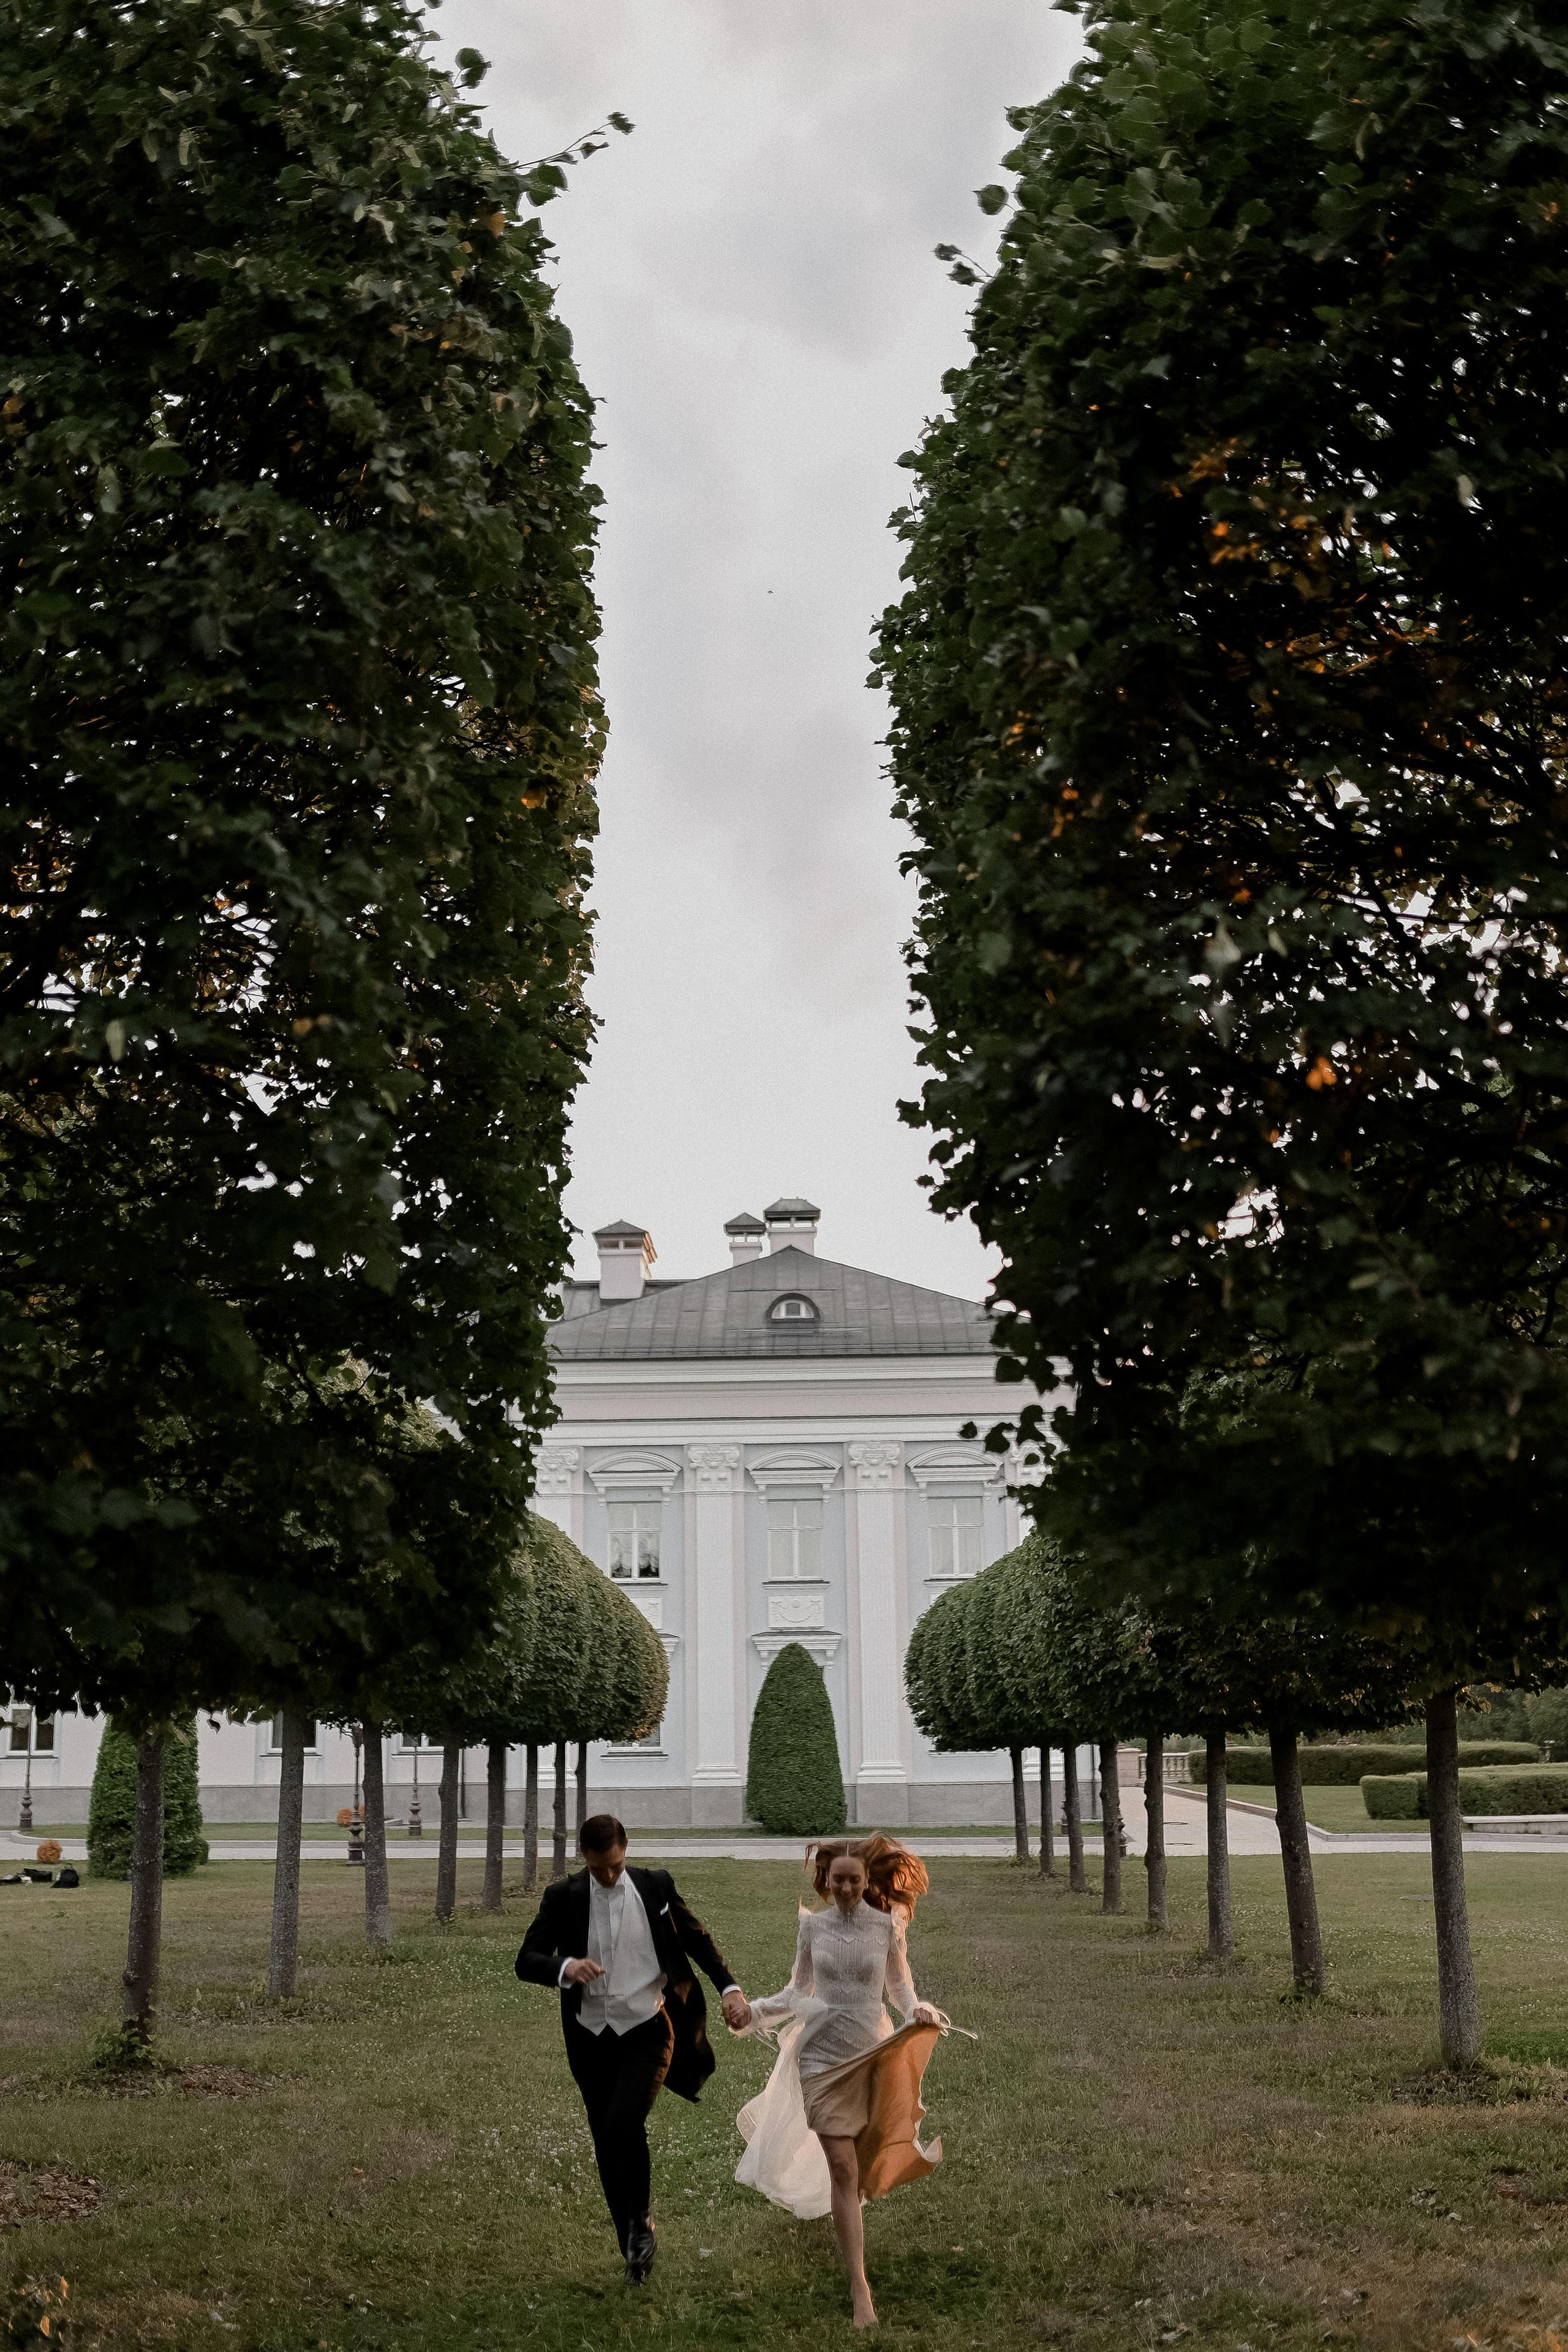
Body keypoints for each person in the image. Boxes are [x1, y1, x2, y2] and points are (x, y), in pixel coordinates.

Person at [514, 1812, 751, 2286]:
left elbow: (697, 1940)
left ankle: (640, 2220)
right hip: (589, 2035)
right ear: (585, 1857)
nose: (608, 1875)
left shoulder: (656, 1887)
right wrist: (565, 1967)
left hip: (648, 2027)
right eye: (599, 1868)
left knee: (624, 2124)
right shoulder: (564, 1897)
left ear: (626, 1850)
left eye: (616, 1865)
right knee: (606, 2136)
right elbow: (527, 1960)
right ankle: (630, 2241)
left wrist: (730, 1989)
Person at [736, 1834, 950, 2331]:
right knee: (842, 2168)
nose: (848, 1888)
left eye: (856, 1880)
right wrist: (752, 2014)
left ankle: (853, 2221)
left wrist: (914, 2007)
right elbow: (797, 1990)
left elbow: (898, 1985)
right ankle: (860, 2286)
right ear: (827, 1882)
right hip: (821, 2057)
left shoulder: (886, 1927)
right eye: (839, 1881)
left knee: (862, 2161)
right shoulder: (812, 1928)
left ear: (866, 1880)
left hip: (870, 2050)